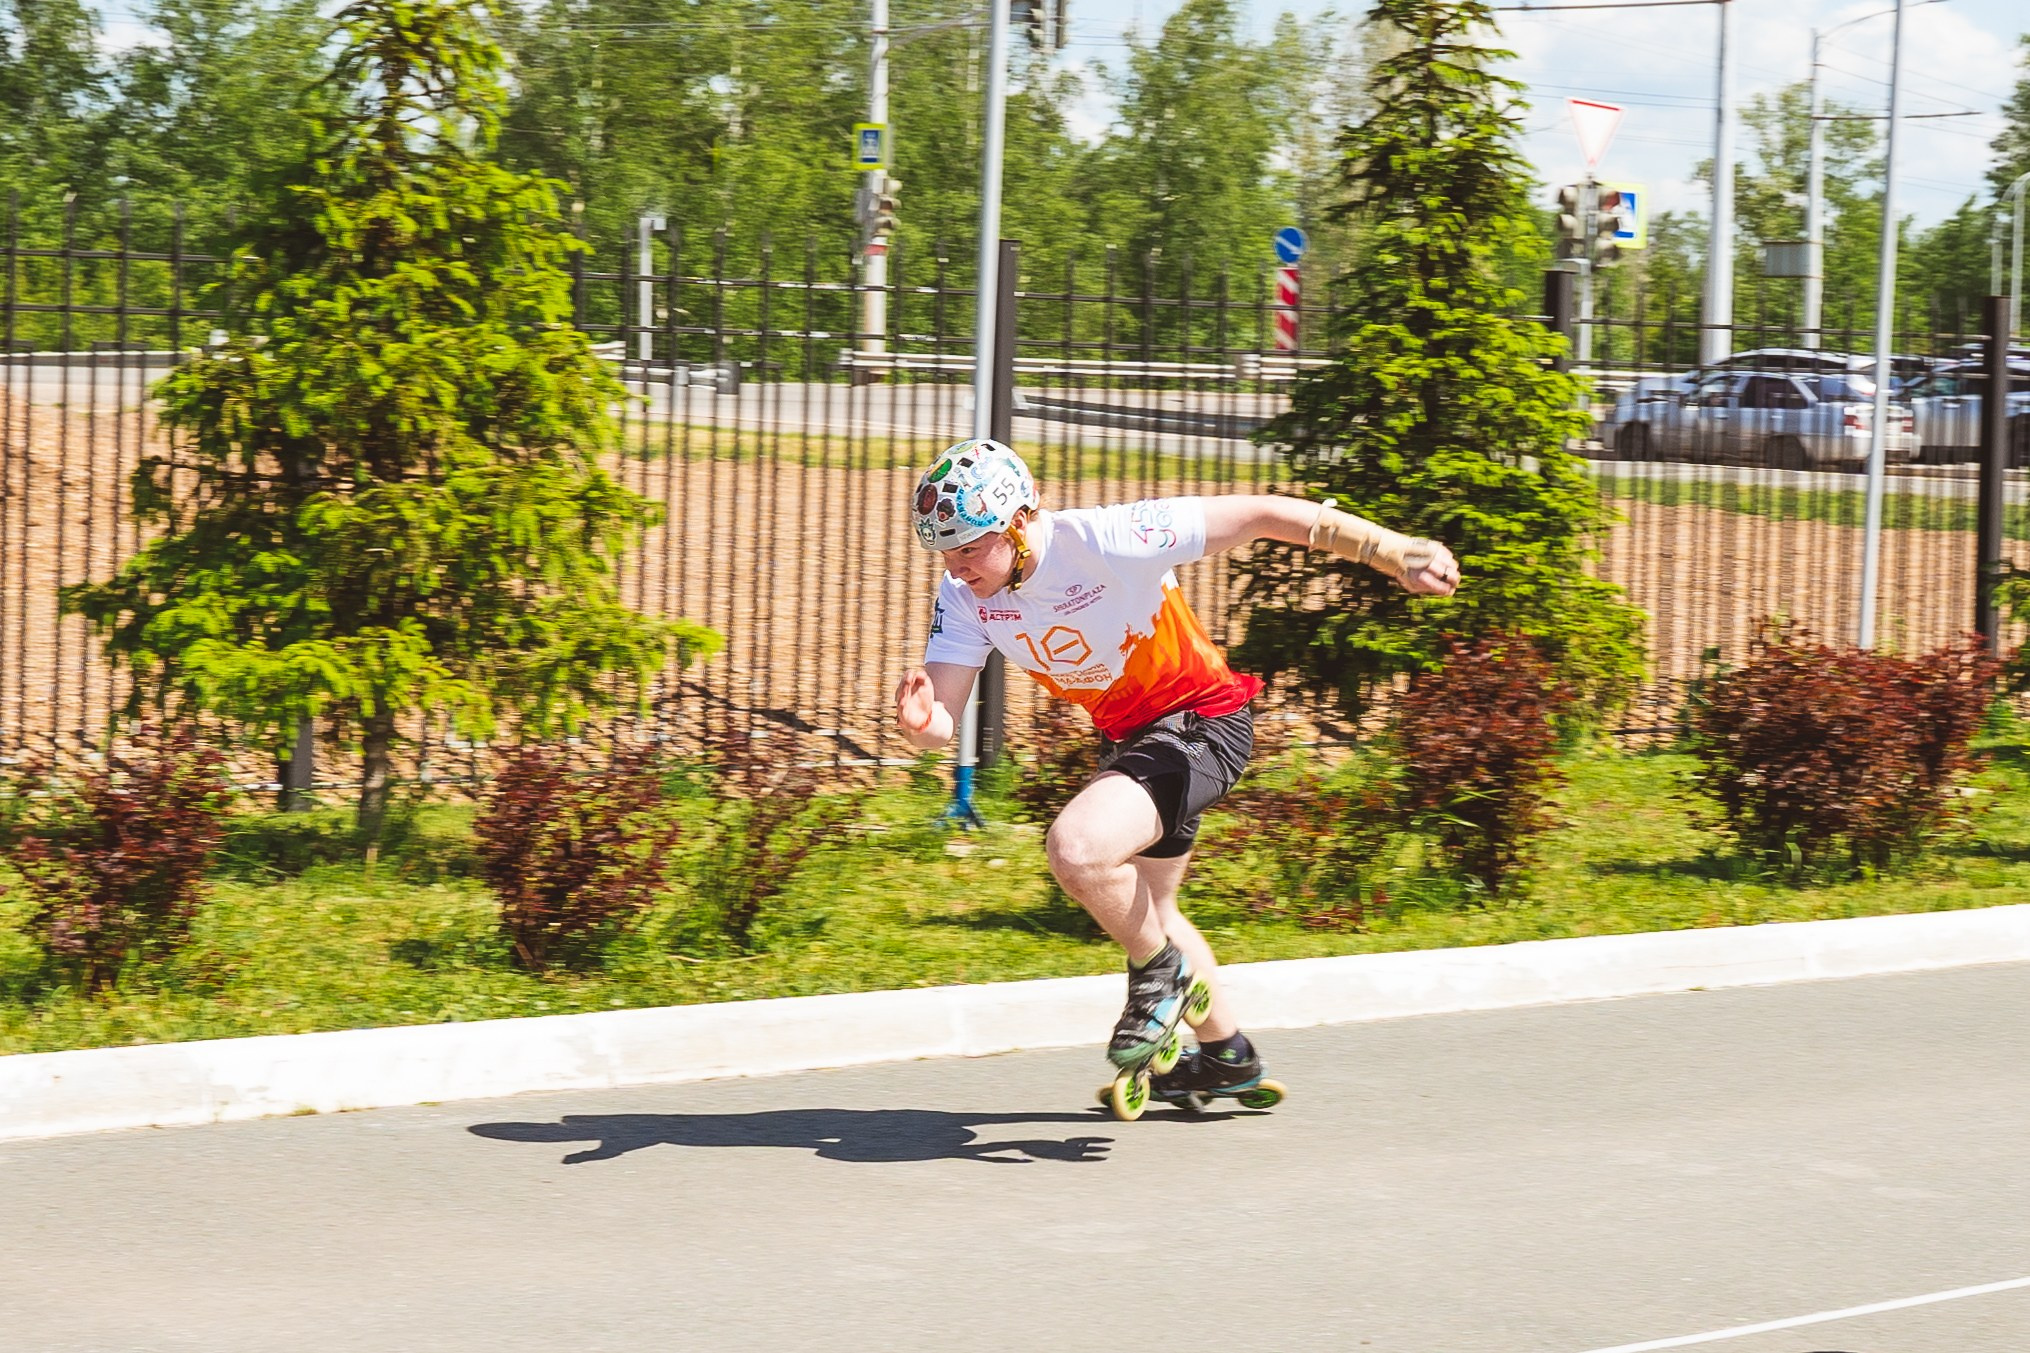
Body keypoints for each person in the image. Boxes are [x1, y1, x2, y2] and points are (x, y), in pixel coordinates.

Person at [892, 439, 1459, 1104]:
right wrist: (921, 725)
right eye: (944, 552)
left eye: (967, 547)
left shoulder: (1107, 539)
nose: (956, 569)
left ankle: (1157, 971)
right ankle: (1227, 1056)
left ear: (1018, 521)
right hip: (1134, 742)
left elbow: (1259, 514)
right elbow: (942, 721)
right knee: (1153, 906)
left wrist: (1390, 551)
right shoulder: (966, 596)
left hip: (1204, 721)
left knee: (1077, 850)